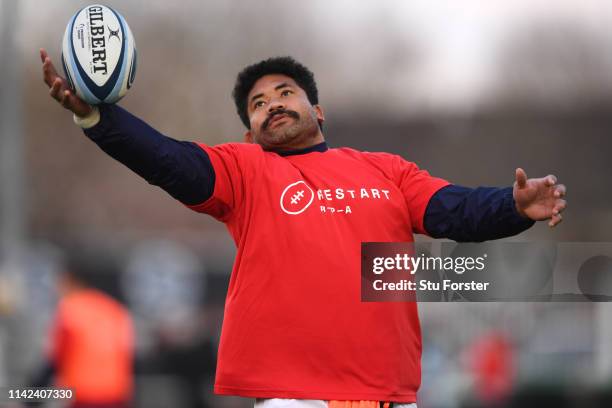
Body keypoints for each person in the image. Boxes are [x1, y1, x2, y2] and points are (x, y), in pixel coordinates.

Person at [40, 50, 566, 408]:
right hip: (294, 397)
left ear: (316, 109)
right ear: (250, 131)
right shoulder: (245, 171)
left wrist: (514, 206)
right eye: (259, 104)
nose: (273, 105)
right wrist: (99, 119)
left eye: (284, 93)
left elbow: (454, 210)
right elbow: (168, 160)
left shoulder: (384, 169)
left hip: (386, 395)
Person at [30, 251, 134, 408]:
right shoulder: (115, 310)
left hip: (81, 394)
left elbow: (54, 360)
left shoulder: (70, 309)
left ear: (71, 279)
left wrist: (29, 398)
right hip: (116, 394)